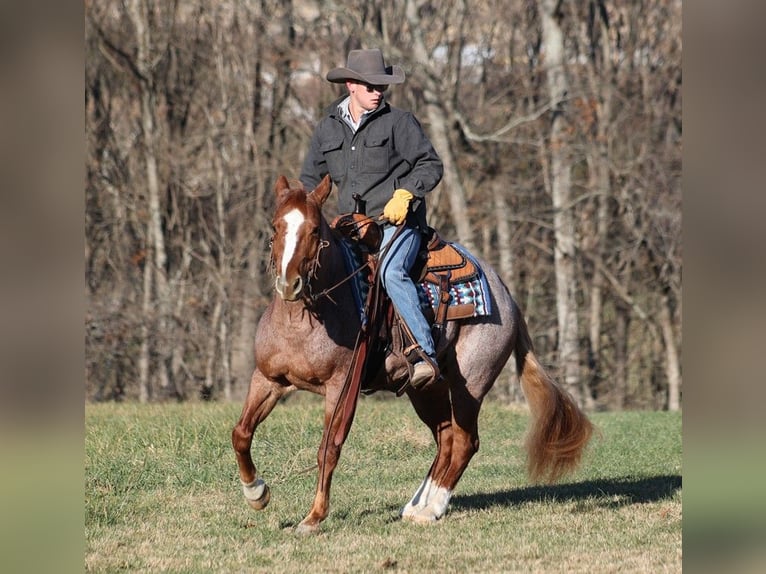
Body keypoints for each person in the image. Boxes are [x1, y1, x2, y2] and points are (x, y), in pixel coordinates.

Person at [300, 48, 443, 389]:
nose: (378, 92)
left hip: (397, 225)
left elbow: (430, 165)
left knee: (392, 272)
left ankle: (424, 354)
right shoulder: (327, 130)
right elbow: (309, 181)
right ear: (351, 84)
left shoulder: (399, 122)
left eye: (382, 86)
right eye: (370, 86)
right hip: (349, 228)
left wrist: (406, 193)